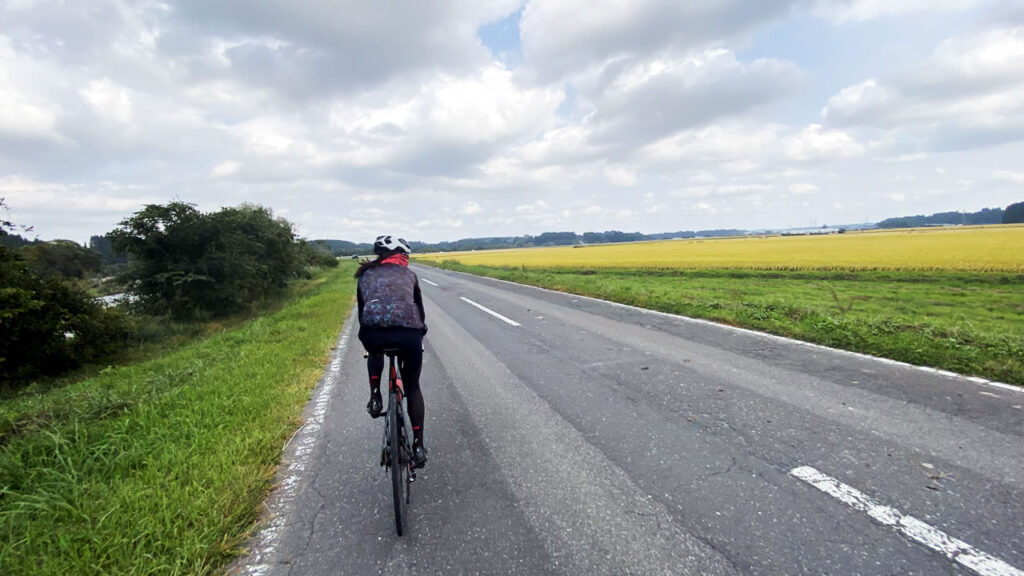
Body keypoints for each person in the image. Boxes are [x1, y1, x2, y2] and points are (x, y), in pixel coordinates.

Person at [355, 234, 428, 468]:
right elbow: (420, 314)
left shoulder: (365, 275)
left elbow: (362, 313)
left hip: (373, 334)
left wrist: (368, 333)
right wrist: (420, 334)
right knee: (413, 386)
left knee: (374, 350)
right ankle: (418, 446)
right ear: (399, 255)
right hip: (408, 336)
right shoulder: (409, 275)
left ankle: (375, 396)